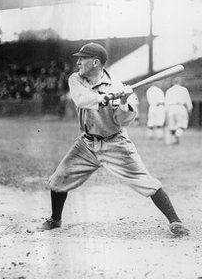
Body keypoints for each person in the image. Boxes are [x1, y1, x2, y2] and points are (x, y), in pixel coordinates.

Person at [38, 42, 189, 236]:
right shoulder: (76, 79)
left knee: (144, 180)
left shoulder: (118, 86)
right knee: (59, 178)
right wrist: (107, 97)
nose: (78, 62)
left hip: (115, 142)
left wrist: (124, 101)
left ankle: (175, 221)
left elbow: (123, 120)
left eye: (82, 59)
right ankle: (55, 219)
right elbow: (81, 99)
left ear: (95, 62)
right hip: (87, 143)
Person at [165, 77, 193, 145]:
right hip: (181, 107)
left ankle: (174, 139)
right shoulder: (184, 89)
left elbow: (166, 102)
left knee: (172, 125)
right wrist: (190, 108)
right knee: (182, 125)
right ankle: (177, 136)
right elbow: (188, 100)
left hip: (171, 108)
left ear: (173, 82)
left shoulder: (169, 90)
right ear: (180, 82)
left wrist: (166, 112)